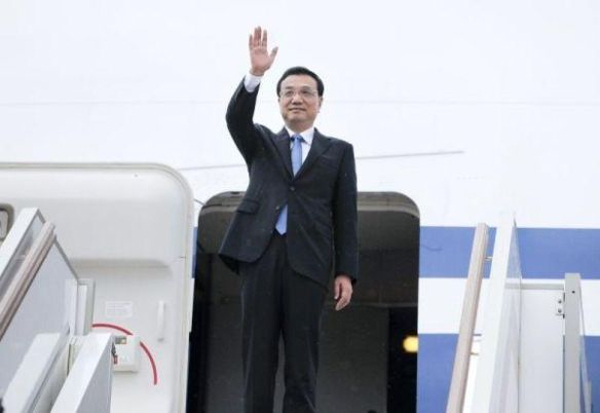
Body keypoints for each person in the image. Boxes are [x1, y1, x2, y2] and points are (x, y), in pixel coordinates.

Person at [218, 26, 358, 413]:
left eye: (306, 93)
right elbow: (235, 119)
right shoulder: (261, 142)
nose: (297, 99)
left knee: (302, 362)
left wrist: (345, 271)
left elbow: (346, 214)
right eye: (289, 93)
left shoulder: (338, 152)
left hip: (309, 262)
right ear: (279, 101)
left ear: (320, 102)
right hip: (260, 257)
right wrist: (256, 74)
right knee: (257, 358)